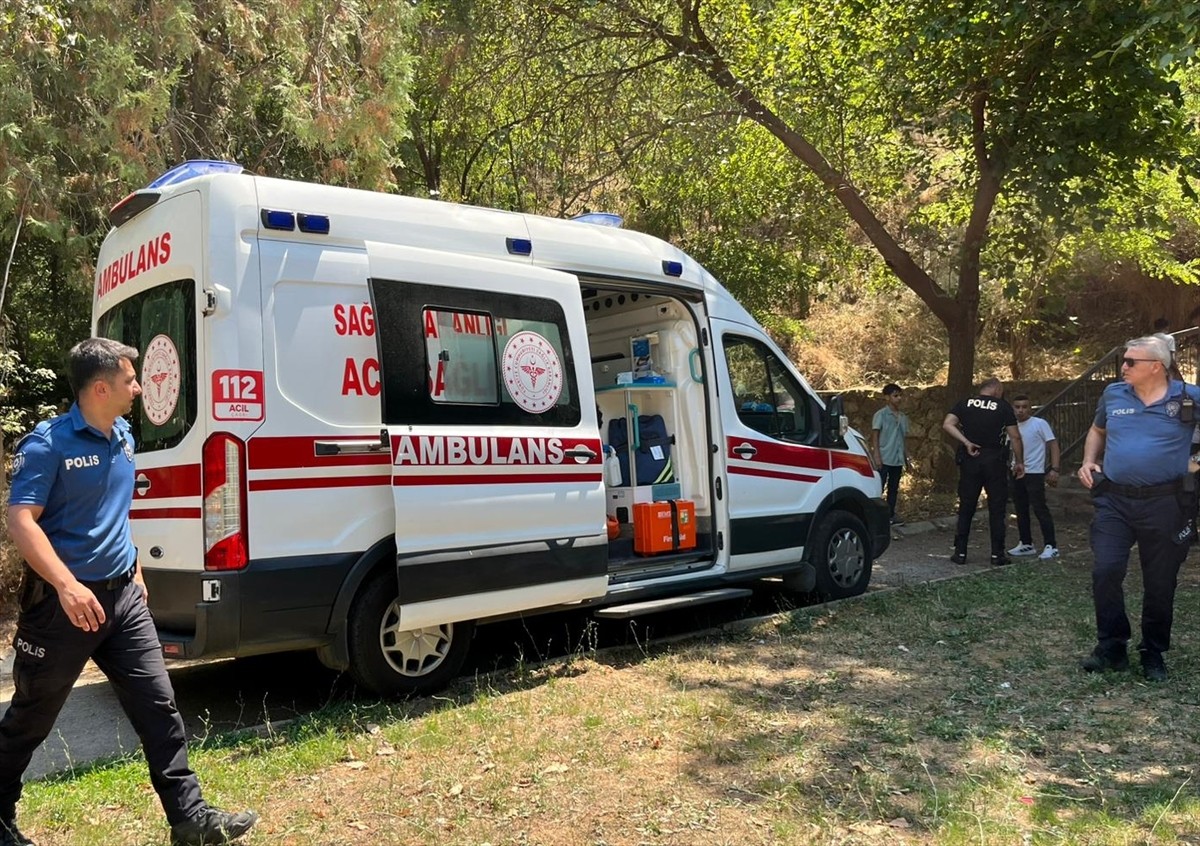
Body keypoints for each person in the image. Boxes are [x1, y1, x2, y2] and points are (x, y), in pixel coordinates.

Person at [1, 339, 257, 846]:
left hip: (123, 601)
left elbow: (111, 511)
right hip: (63, 607)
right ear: (100, 388)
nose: (138, 387)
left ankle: (190, 820)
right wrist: (68, 586)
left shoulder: (121, 434)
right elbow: (21, 521)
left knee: (158, 706)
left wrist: (134, 567)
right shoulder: (47, 444)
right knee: (32, 716)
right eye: (130, 380)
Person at [1077, 334, 1200, 682]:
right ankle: (1112, 647)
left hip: (1166, 503)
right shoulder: (1114, 394)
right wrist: (1088, 461)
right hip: (1114, 500)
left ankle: (1153, 652)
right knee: (1106, 570)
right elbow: (1097, 430)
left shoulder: (1189, 398)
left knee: (1160, 582)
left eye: (1131, 362)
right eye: (1123, 361)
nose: (1124, 367)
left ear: (1156, 367)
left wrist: (1195, 464)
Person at [942, 377, 1024, 567]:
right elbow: (1015, 437)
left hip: (970, 458)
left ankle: (960, 552)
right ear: (995, 390)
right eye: (1001, 390)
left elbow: (947, 424)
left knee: (966, 506)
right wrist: (1019, 462)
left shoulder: (965, 403)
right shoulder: (1003, 407)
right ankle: (997, 554)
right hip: (994, 460)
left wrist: (966, 442)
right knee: (997, 508)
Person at [1007, 395, 1061, 560]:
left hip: (1035, 472)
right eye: (1017, 406)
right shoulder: (1011, 426)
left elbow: (1053, 444)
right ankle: (1026, 543)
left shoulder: (1039, 424)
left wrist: (1054, 468)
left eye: (1024, 406)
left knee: (1040, 508)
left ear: (1030, 408)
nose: (1021, 410)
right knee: (1021, 509)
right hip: (1017, 472)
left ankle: (1051, 545)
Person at [870, 383, 910, 525]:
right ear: (887, 397)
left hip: (897, 458)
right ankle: (874, 515)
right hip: (884, 456)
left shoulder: (903, 417)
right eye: (895, 395)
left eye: (900, 395)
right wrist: (877, 455)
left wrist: (906, 457)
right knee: (879, 486)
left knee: (894, 488)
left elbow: (903, 439)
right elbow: (875, 435)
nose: (898, 398)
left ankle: (890, 514)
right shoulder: (881, 415)